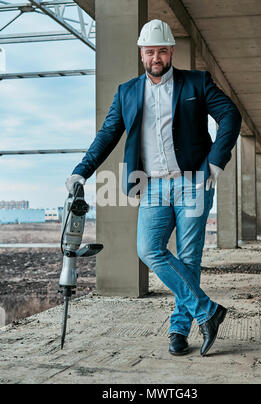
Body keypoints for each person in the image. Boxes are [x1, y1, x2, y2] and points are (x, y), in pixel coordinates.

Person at [66, 19, 242, 356]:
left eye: (162, 50)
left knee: (189, 257)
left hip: (193, 181)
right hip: (152, 187)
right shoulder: (127, 92)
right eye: (150, 51)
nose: (156, 57)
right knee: (149, 249)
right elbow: (107, 135)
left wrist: (216, 161)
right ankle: (208, 312)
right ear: (141, 54)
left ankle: (179, 330)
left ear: (171, 51)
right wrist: (81, 172)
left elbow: (230, 115)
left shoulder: (197, 83)